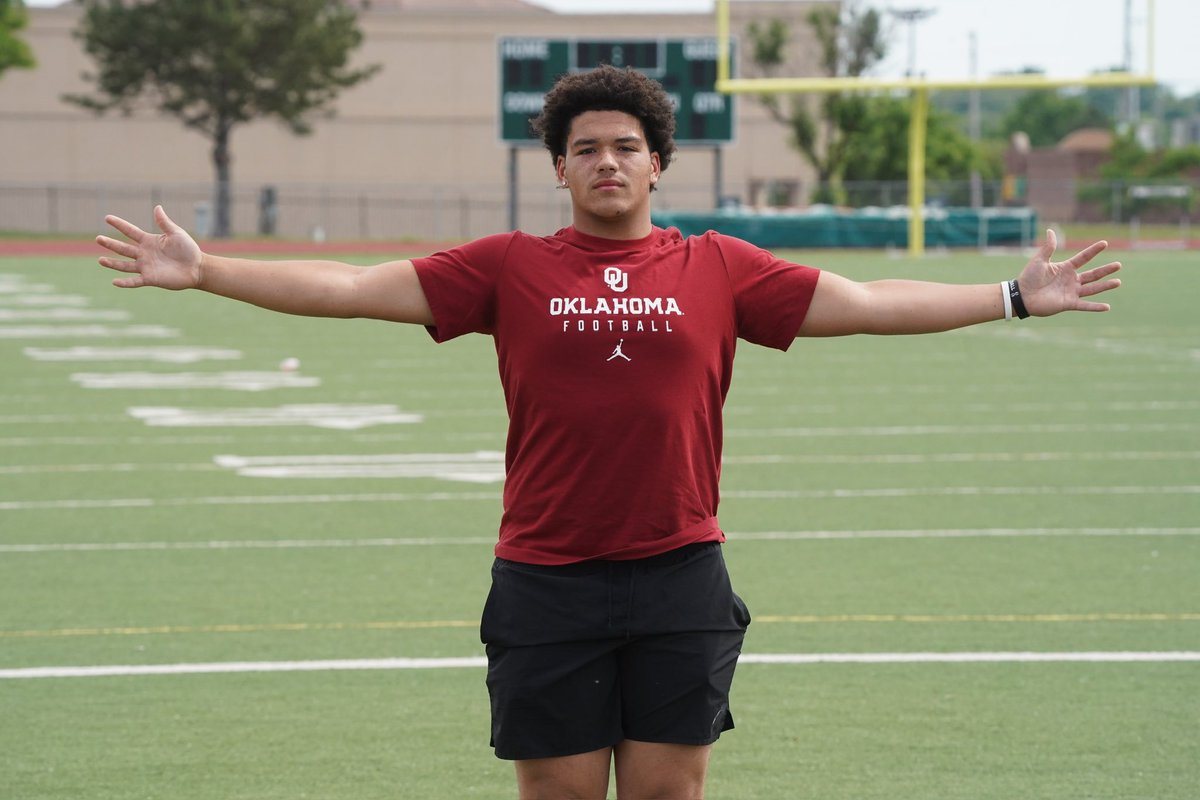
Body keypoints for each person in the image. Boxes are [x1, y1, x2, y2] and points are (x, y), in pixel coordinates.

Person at [95, 64, 1120, 800]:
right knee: (558, 792)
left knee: (671, 791)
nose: (607, 161)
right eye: (584, 148)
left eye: (626, 145)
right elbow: (353, 286)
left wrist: (1010, 297)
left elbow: (866, 299)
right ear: (561, 168)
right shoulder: (506, 266)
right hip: (546, 572)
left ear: (658, 161)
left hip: (680, 567)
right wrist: (210, 269)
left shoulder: (718, 265)